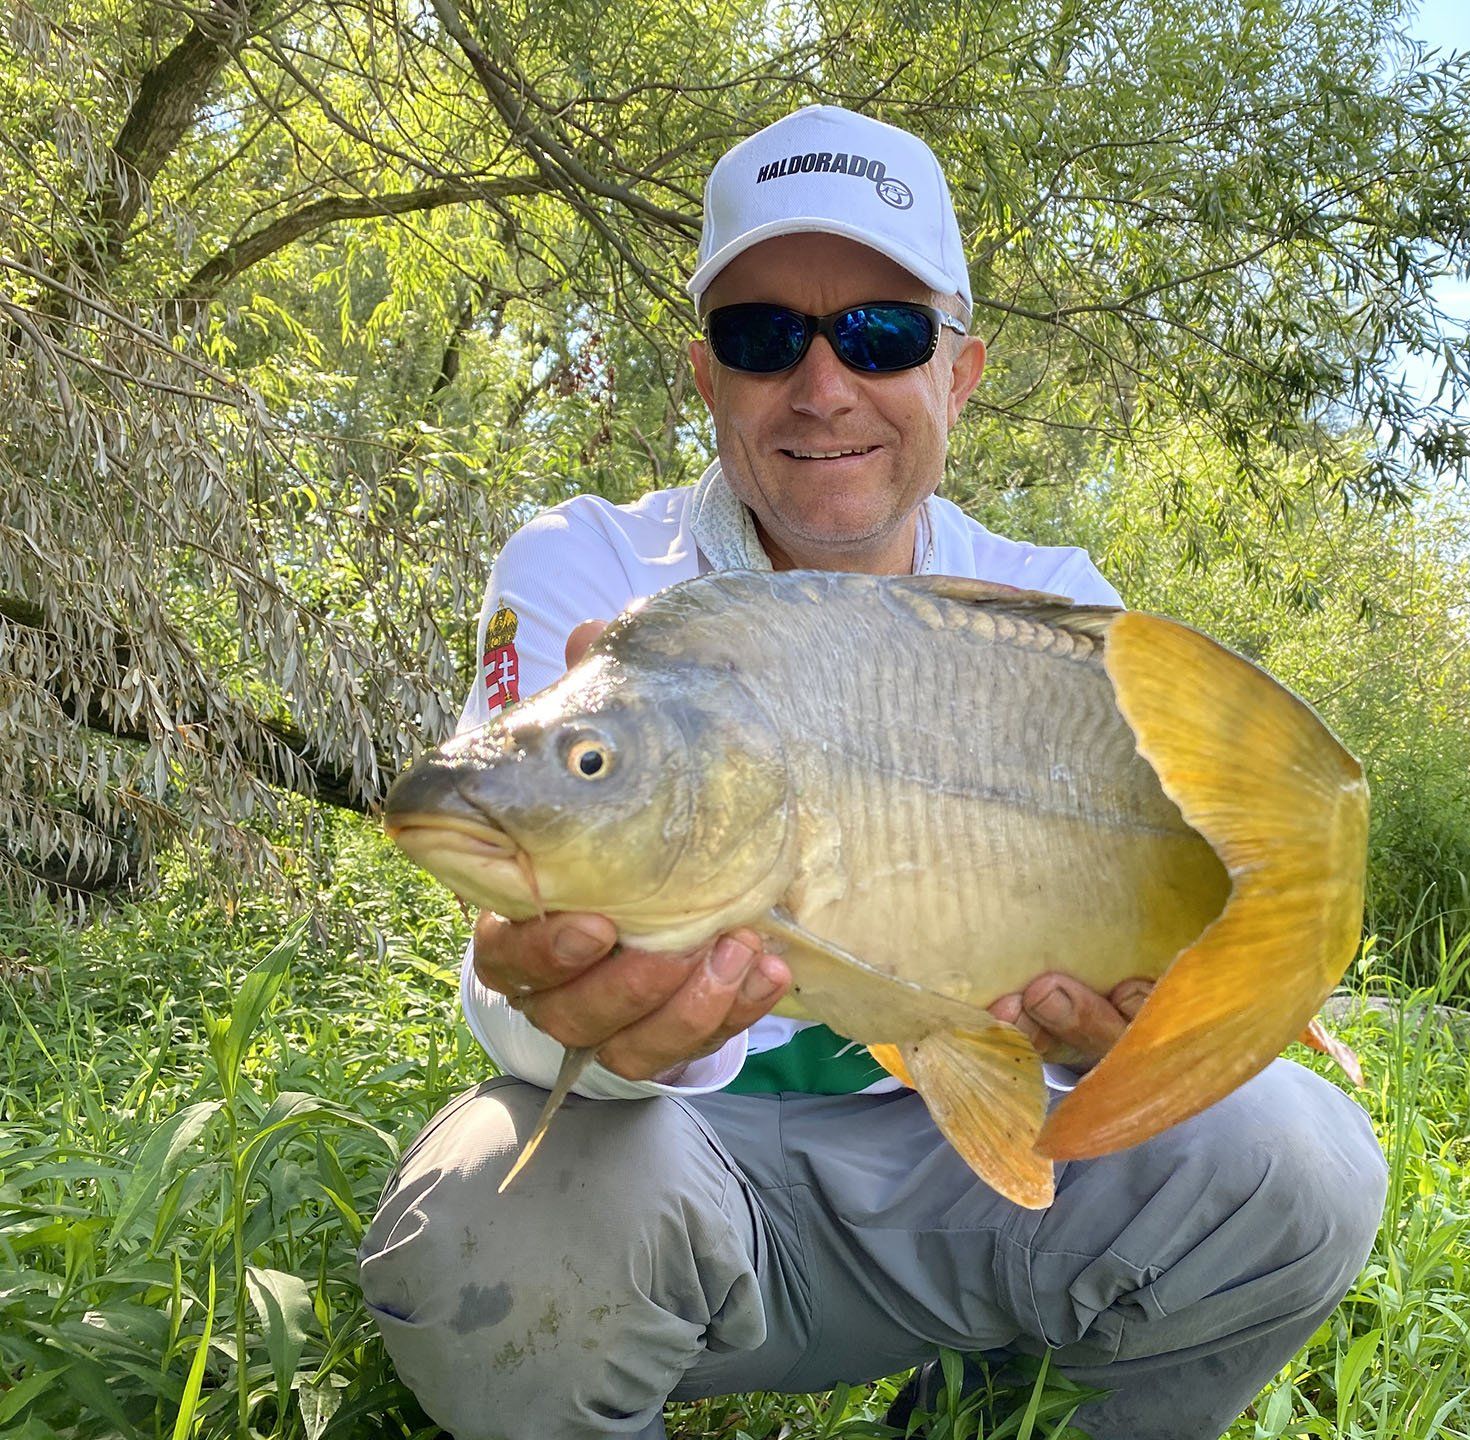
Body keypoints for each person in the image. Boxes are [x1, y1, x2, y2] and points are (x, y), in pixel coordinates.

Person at [357, 104, 1387, 1440]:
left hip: (951, 1174)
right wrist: (576, 1011)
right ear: (707, 375)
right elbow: (510, 969)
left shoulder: (1059, 609)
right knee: (474, 1238)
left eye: (884, 333)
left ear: (959, 374)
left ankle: (983, 1419)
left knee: (1298, 1162)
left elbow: (1098, 1018)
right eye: (765, 334)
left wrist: (1142, 1040)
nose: (824, 383)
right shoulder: (588, 575)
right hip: (670, 1172)